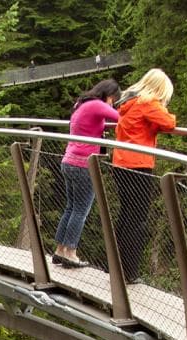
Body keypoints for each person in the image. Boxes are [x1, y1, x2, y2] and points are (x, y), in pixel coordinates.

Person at [111, 69, 176, 283]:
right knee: (137, 219)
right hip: (138, 165)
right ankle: (129, 272)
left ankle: (118, 267)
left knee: (126, 215)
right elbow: (168, 123)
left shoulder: (129, 102)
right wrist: (164, 111)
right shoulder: (148, 102)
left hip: (120, 163)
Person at [53, 78, 121, 268]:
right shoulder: (97, 105)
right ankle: (71, 252)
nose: (112, 103)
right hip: (83, 163)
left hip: (68, 161)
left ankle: (60, 250)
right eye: (113, 100)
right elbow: (120, 118)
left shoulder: (80, 104)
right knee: (81, 210)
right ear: (108, 95)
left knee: (71, 207)